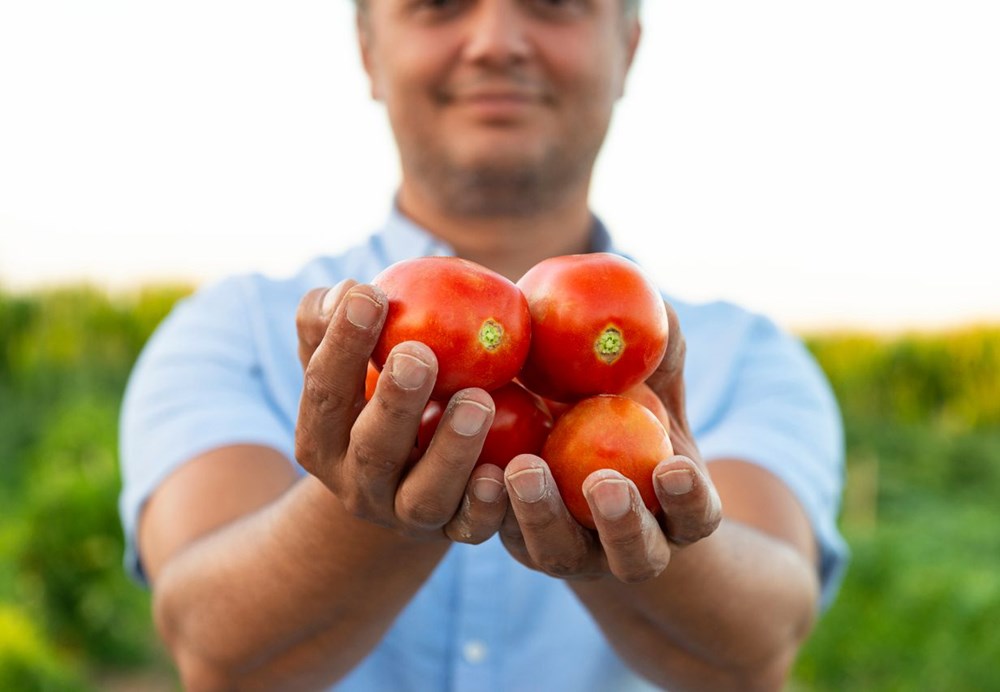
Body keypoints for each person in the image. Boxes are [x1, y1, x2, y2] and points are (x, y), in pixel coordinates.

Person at [119, 1, 848, 690]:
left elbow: (761, 649)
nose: (497, 41)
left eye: (556, 1)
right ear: (368, 51)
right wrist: (365, 505)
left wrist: (665, 547)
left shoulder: (751, 357)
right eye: (439, 3)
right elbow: (212, 652)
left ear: (626, 48)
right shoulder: (232, 331)